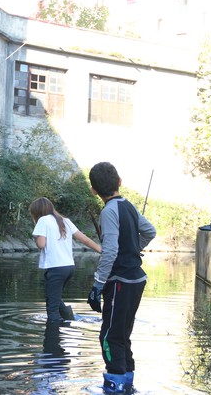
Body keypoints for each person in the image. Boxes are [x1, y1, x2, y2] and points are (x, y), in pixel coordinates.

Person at [86, 162, 156, 394]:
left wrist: (97, 285)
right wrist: (134, 250)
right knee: (122, 334)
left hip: (120, 282)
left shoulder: (108, 211)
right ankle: (127, 384)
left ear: (94, 190)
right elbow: (150, 232)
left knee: (109, 336)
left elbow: (110, 251)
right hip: (136, 279)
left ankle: (115, 387)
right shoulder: (129, 206)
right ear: (119, 182)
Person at [29, 197, 101, 325]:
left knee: (52, 307)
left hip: (55, 267)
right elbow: (84, 239)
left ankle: (53, 334)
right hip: (69, 267)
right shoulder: (65, 221)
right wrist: (102, 251)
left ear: (37, 212)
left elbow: (41, 244)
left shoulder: (42, 221)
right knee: (53, 296)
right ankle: (69, 318)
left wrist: (36, 237)